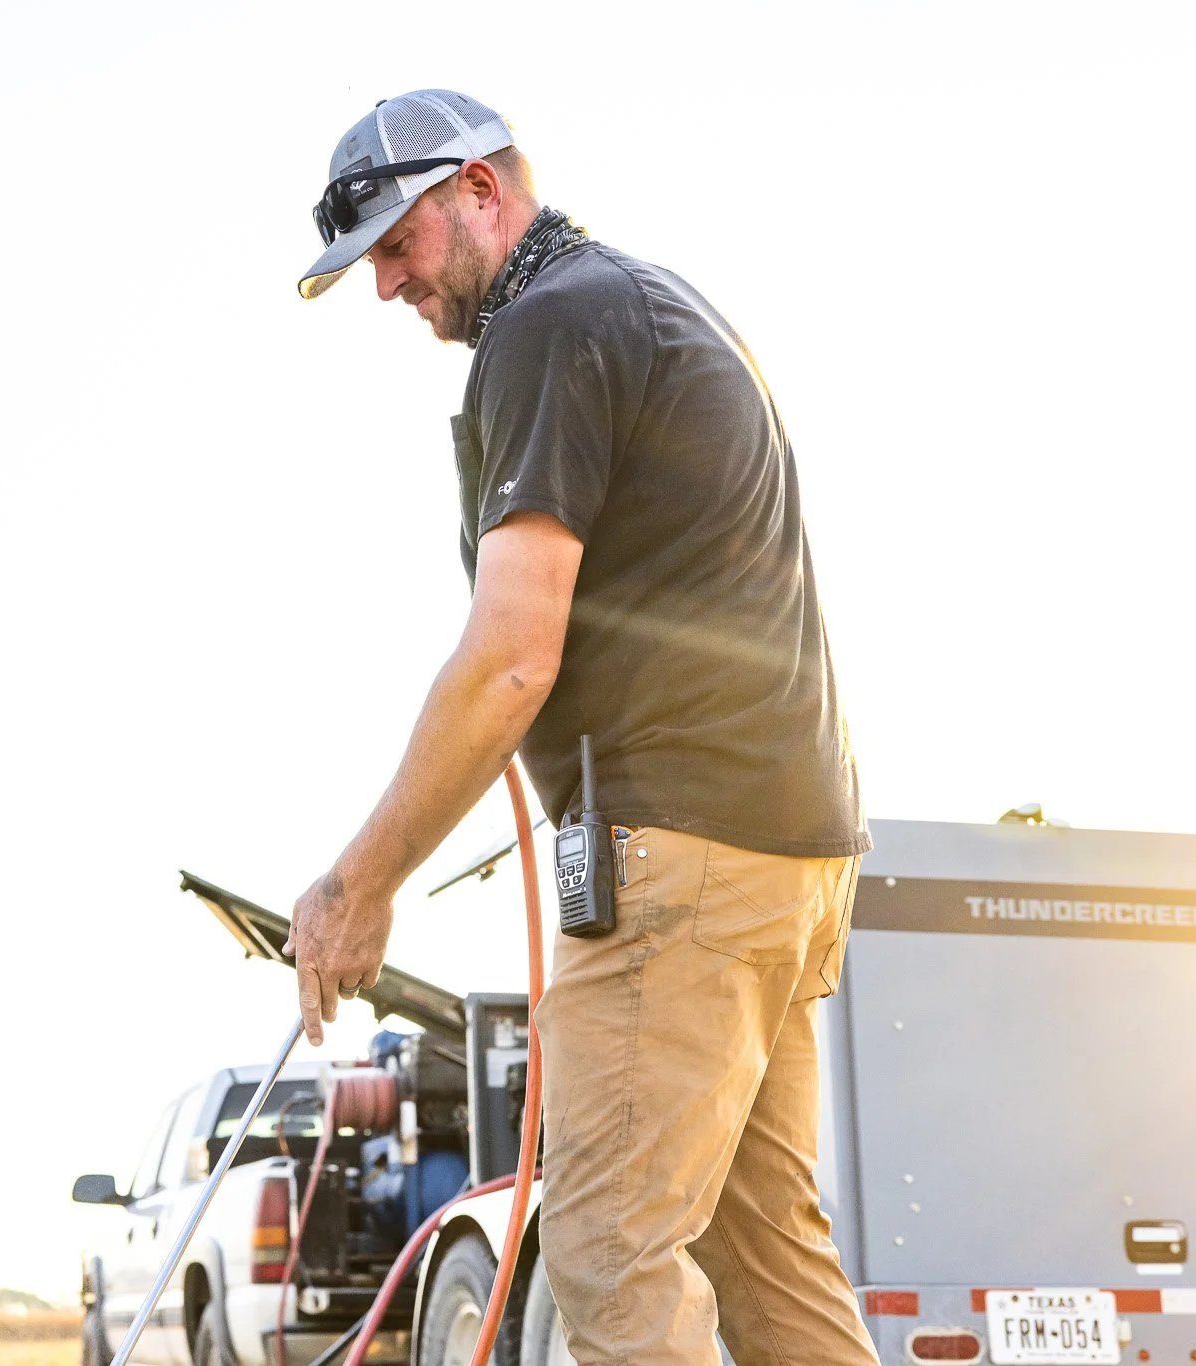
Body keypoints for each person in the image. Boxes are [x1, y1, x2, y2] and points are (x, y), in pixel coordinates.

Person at [280, 90, 879, 1365]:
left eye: (395, 243)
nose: (387, 286)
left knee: (607, 1248)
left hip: (682, 862)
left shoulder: (549, 326)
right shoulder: (645, 303)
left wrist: (358, 883)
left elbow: (507, 661)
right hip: (784, 850)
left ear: (482, 190)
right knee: (764, 1247)